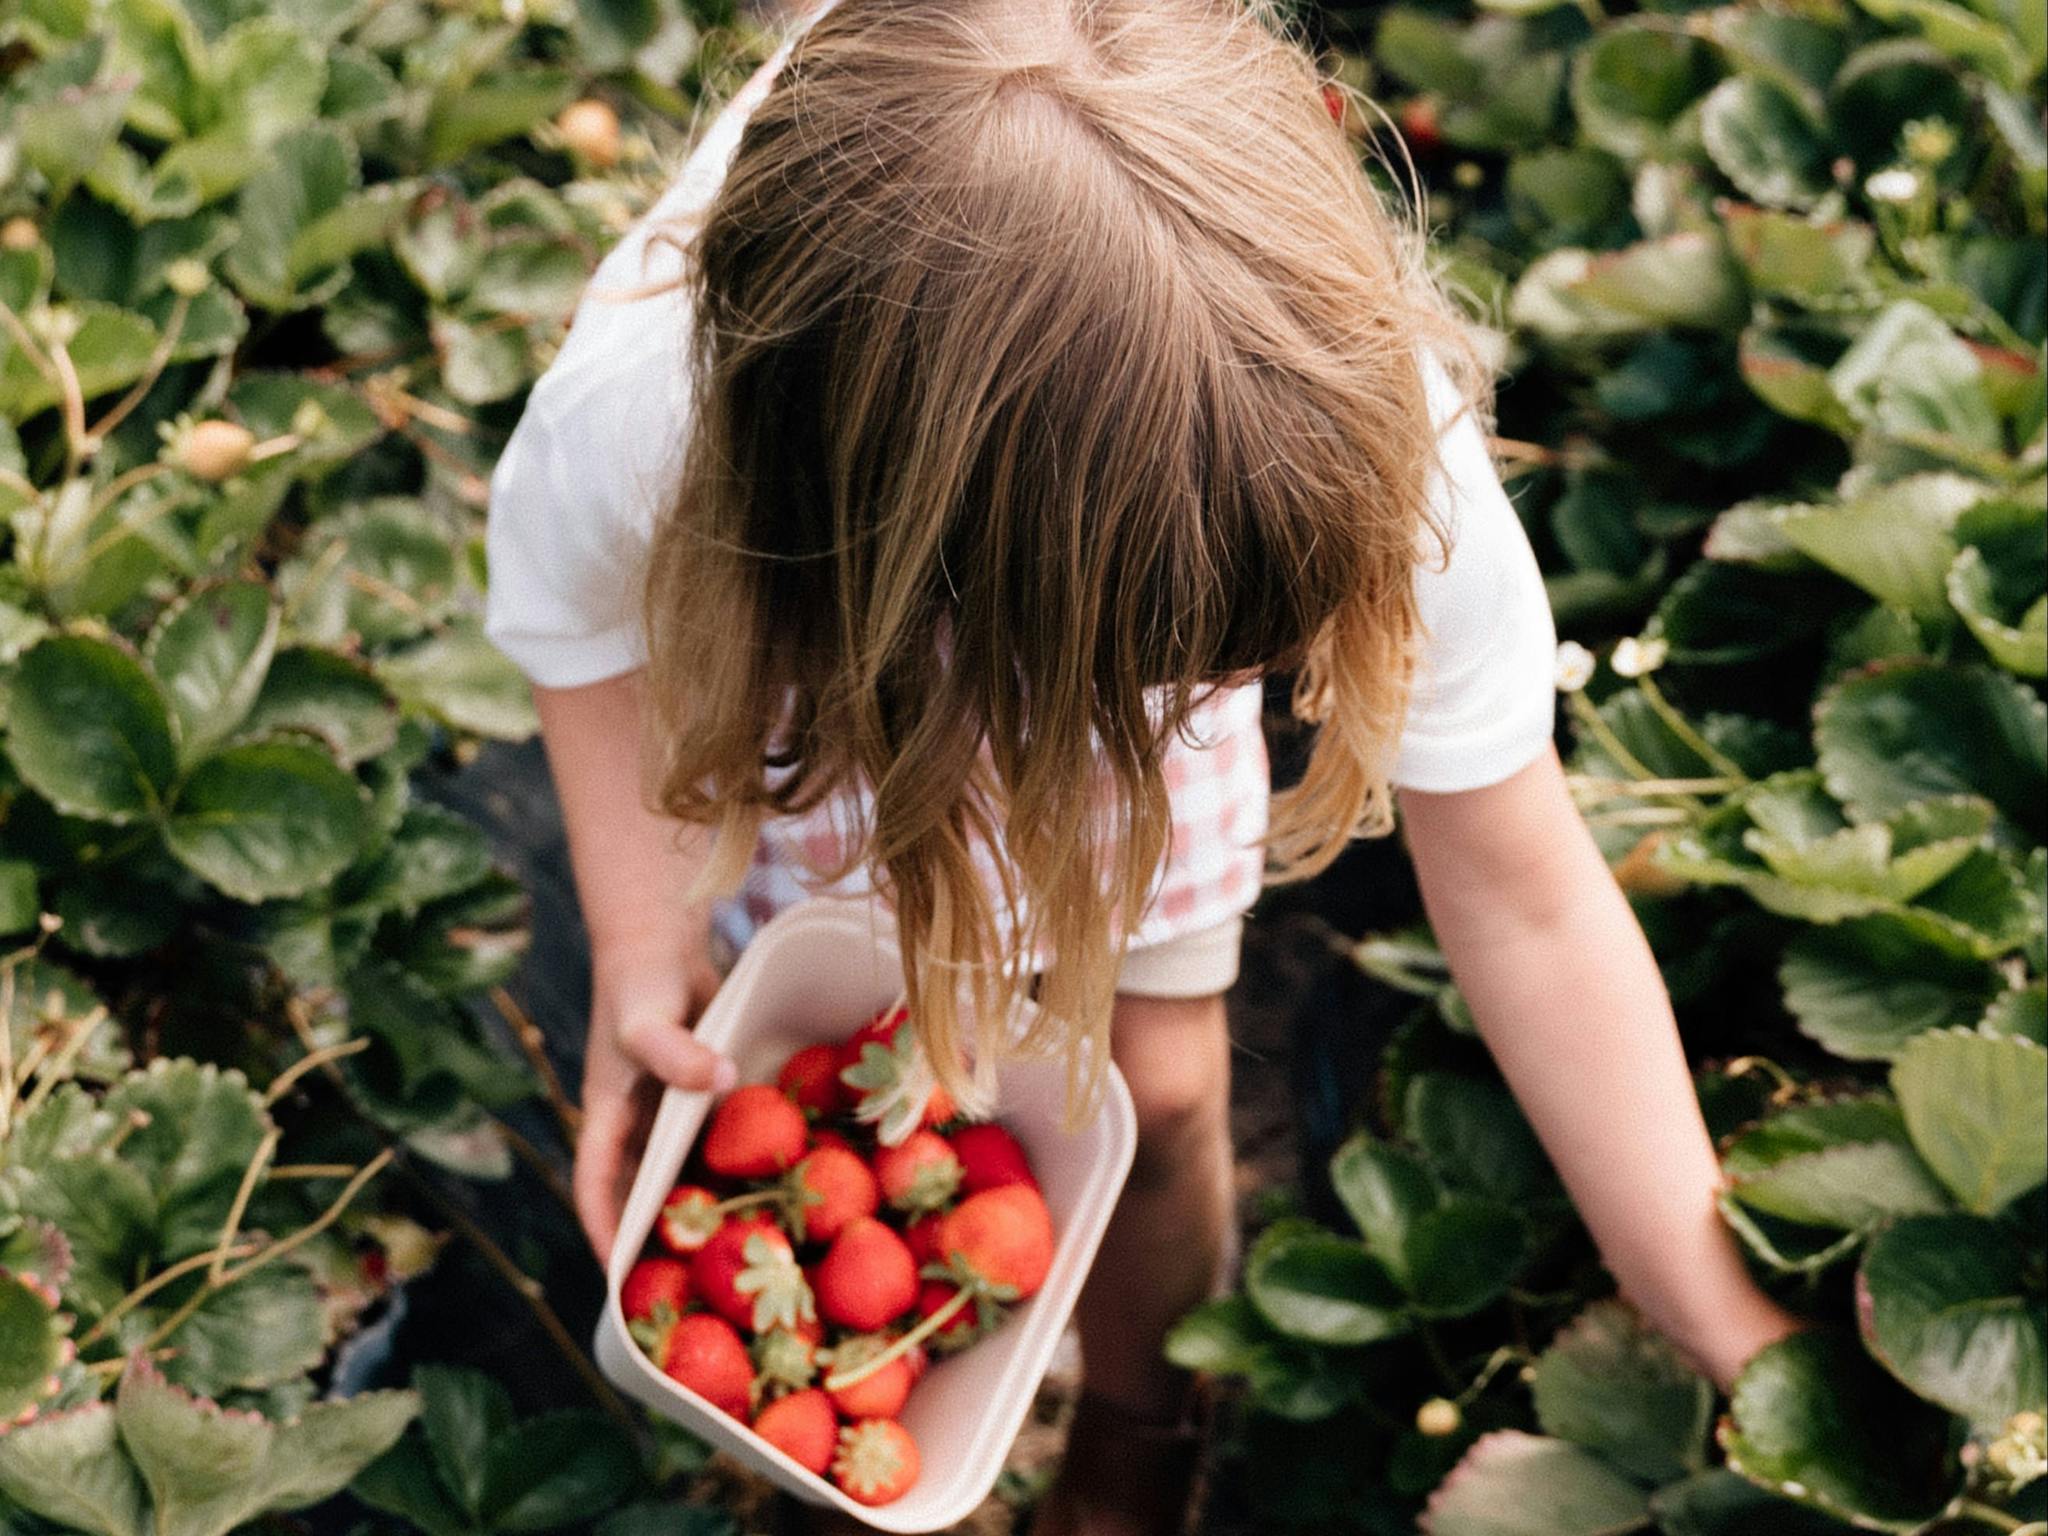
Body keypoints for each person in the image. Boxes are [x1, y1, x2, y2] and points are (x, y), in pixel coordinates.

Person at [484, 2, 1803, 1530]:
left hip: (1052, 544)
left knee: (1156, 1093)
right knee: (836, 1032)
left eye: (1239, 665)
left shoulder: (1361, 431)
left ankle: (1141, 1429)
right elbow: (577, 633)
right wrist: (643, 948)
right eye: (1188, 659)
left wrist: (1746, 1349)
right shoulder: (655, 415)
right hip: (837, 633)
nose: (1229, 691)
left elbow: (1531, 904)